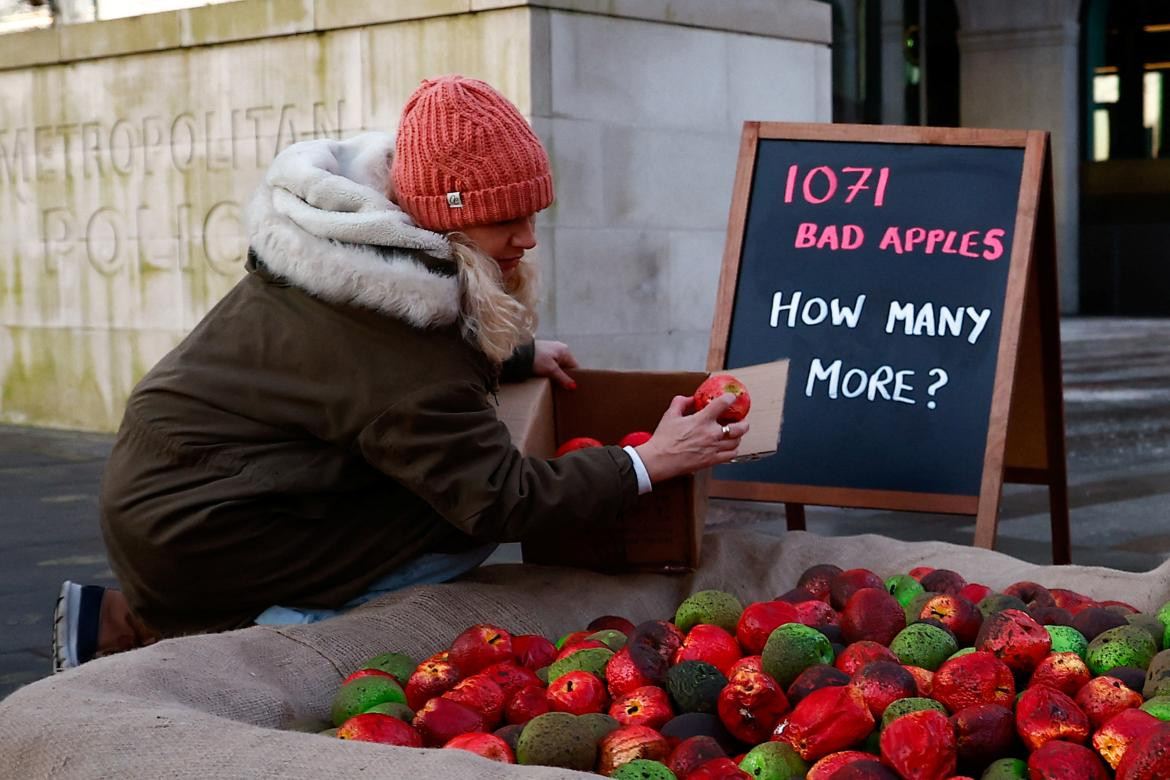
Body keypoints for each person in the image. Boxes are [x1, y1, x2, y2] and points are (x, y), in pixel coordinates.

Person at [52, 75, 747, 672]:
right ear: (445, 220)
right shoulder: (402, 342)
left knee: (435, 481)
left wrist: (516, 356)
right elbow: (499, 498)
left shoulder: (352, 254)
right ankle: (219, 628)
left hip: (181, 488)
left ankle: (143, 609)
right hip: (204, 537)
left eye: (535, 213)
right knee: (455, 526)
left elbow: (352, 378)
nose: (529, 237)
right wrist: (646, 463)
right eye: (506, 219)